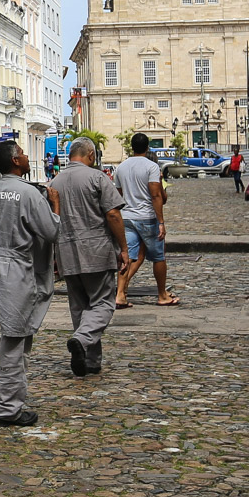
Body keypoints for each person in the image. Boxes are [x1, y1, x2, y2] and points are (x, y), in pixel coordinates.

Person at [0, 140, 58, 427]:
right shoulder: (28, 193)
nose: (26, 155)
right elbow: (51, 231)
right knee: (14, 339)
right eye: (21, 151)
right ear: (15, 161)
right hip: (14, 269)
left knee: (15, 337)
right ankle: (8, 408)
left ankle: (12, 399)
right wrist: (54, 204)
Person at [49, 137, 127, 377]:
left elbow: (50, 221)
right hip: (96, 250)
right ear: (91, 155)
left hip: (66, 252)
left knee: (80, 307)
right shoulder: (97, 178)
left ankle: (90, 360)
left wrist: (53, 257)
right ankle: (82, 340)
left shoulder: (53, 182)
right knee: (103, 303)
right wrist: (123, 248)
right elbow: (113, 214)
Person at [114, 133, 176, 309]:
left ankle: (120, 295)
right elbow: (156, 195)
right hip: (147, 217)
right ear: (147, 147)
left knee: (128, 257)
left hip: (127, 217)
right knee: (158, 257)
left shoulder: (121, 167)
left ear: (131, 147)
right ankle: (162, 295)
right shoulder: (152, 167)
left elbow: (118, 195)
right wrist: (161, 222)